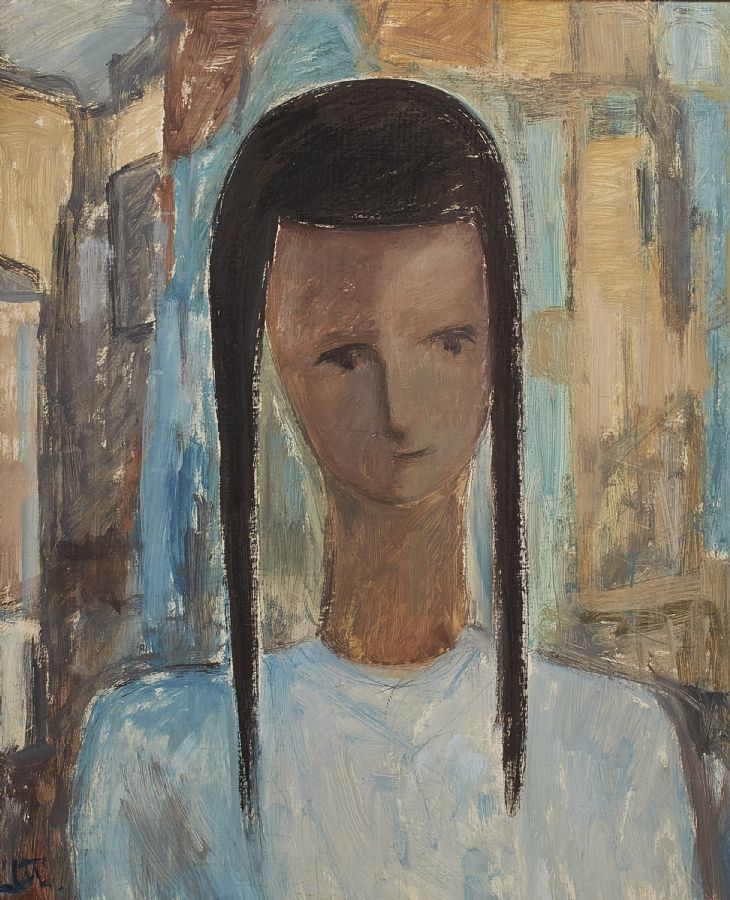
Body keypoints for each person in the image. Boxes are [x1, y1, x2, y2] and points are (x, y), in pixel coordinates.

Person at [70, 79, 699, 899]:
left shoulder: (617, 751)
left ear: (499, 348)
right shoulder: (154, 758)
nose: (399, 408)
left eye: (448, 341)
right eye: (343, 355)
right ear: (271, 358)